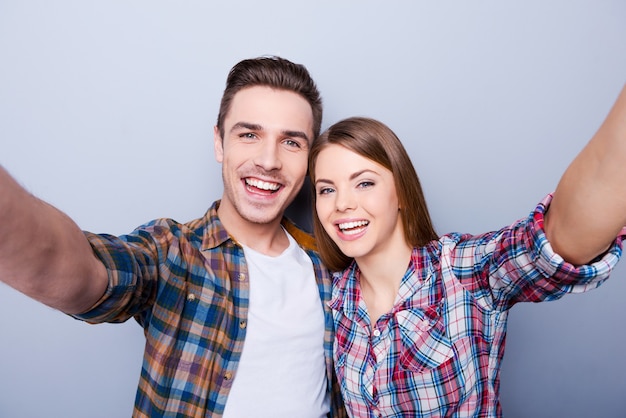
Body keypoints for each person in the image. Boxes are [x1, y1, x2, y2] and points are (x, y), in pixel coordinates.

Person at [0, 56, 346, 417]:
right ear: (219, 143)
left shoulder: (333, 269)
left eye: (291, 142)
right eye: (249, 134)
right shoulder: (172, 252)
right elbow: (67, 265)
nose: (269, 160)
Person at [307, 82, 626, 418]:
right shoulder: (334, 297)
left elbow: (557, 242)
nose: (342, 204)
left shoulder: (461, 269)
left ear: (400, 192)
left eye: (365, 183)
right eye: (326, 190)